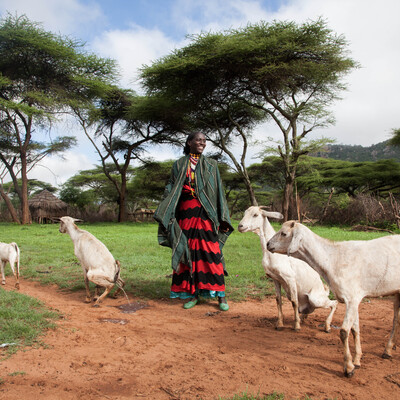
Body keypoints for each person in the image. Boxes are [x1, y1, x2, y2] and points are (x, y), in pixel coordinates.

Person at [154, 132, 234, 311]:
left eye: (204, 141)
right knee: (188, 251)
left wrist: (221, 216)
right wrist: (169, 197)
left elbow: (217, 190)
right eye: (199, 140)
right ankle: (193, 294)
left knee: (211, 252)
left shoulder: (212, 165)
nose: (202, 143)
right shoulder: (179, 164)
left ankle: (221, 295)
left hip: (207, 213)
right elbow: (171, 185)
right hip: (185, 213)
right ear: (189, 142)